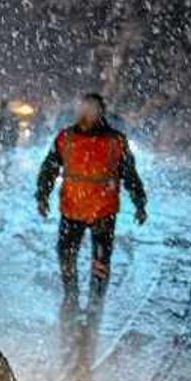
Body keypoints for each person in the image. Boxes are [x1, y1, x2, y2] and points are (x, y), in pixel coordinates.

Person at [36, 93, 148, 295]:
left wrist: (140, 203)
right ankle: (71, 293)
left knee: (101, 260)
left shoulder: (116, 141)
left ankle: (96, 299)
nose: (87, 114)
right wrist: (42, 196)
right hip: (72, 209)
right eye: (84, 109)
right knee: (66, 256)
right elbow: (48, 169)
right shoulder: (65, 138)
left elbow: (130, 174)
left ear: (101, 112)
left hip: (103, 213)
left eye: (92, 109)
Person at [0, 99, 22, 185]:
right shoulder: (11, 115)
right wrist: (14, 139)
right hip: (6, 140)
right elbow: (15, 128)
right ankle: (6, 177)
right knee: (7, 160)